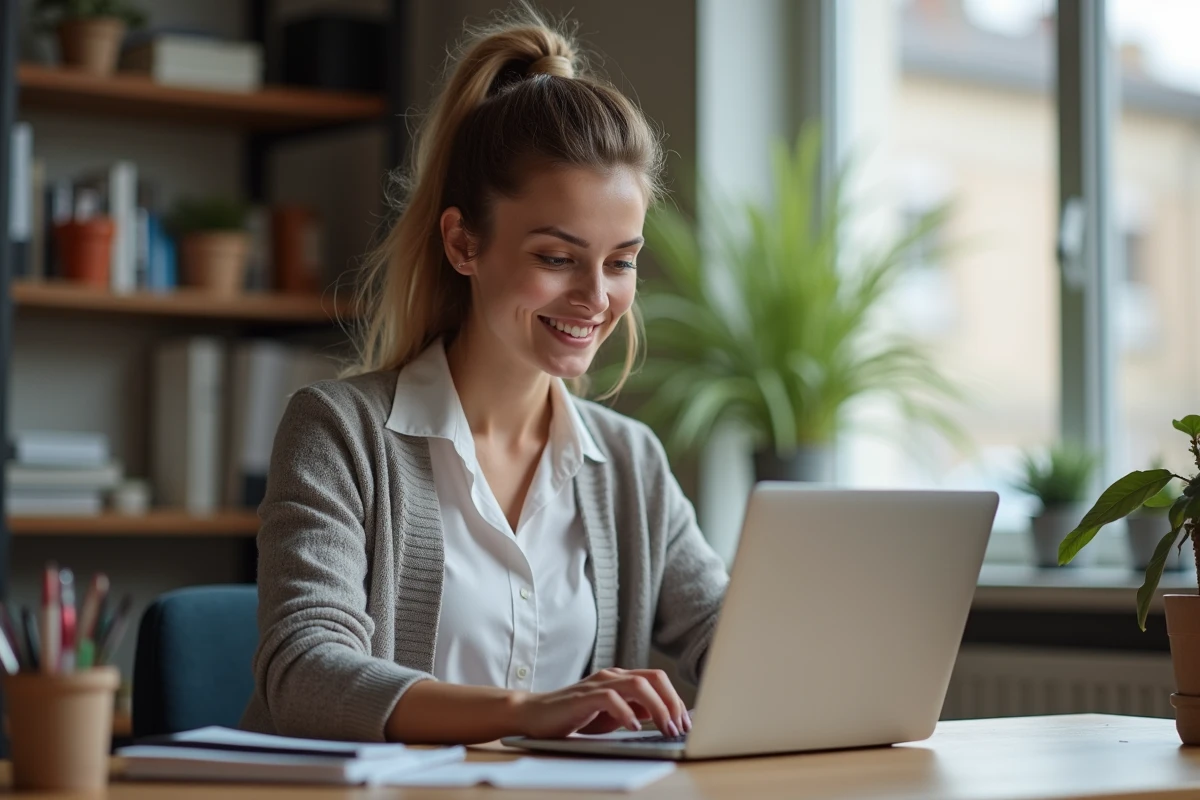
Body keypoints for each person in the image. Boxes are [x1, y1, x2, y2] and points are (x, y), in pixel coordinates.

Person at [239, 7, 729, 745]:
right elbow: (305, 672)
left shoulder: (630, 463)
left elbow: (730, 635)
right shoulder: (339, 433)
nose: (597, 298)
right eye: (557, 258)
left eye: (620, 261)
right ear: (464, 243)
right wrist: (529, 713)